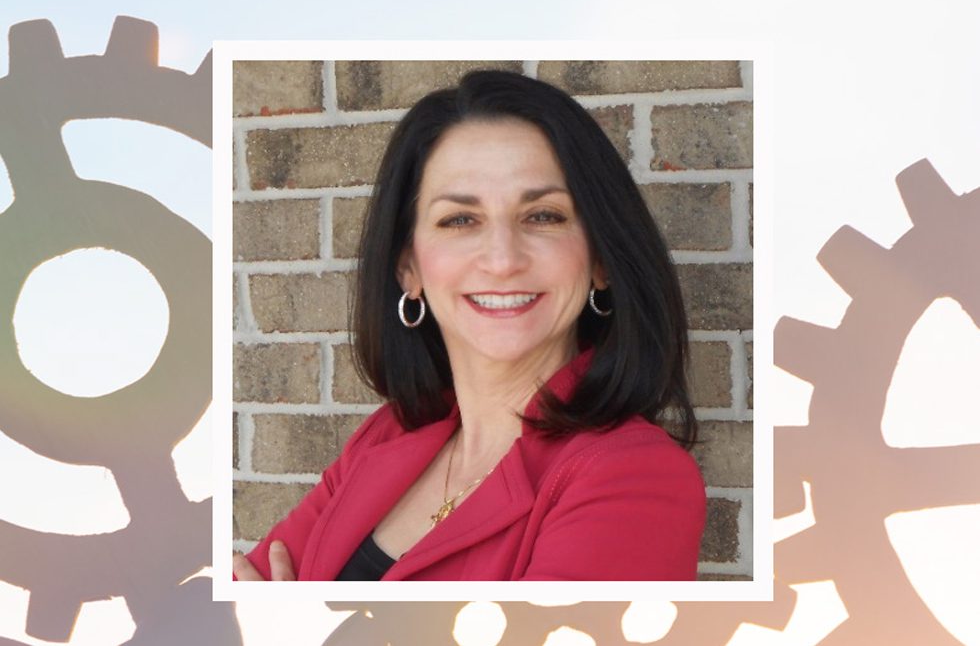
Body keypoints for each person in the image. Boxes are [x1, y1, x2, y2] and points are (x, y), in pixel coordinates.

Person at [233, 69, 705, 581]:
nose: (502, 260)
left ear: (600, 260)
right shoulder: (387, 436)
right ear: (408, 268)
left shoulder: (632, 477)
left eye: (544, 216)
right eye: (459, 220)